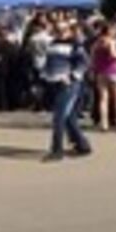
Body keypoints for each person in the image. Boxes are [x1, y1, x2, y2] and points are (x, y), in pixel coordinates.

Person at [42, 19, 91, 162]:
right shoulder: (52, 44)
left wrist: (72, 76)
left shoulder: (75, 45)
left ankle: (57, 150)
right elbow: (49, 63)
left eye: (63, 30)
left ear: (69, 31)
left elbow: (84, 62)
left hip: (69, 84)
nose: (60, 33)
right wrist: (45, 76)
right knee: (68, 117)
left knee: (59, 117)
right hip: (54, 82)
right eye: (57, 30)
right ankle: (82, 145)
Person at [91, 22, 116, 131]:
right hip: (114, 71)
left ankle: (104, 124)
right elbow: (113, 54)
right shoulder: (111, 42)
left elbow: (93, 58)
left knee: (103, 99)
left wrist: (94, 69)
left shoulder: (96, 43)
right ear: (109, 31)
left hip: (101, 72)